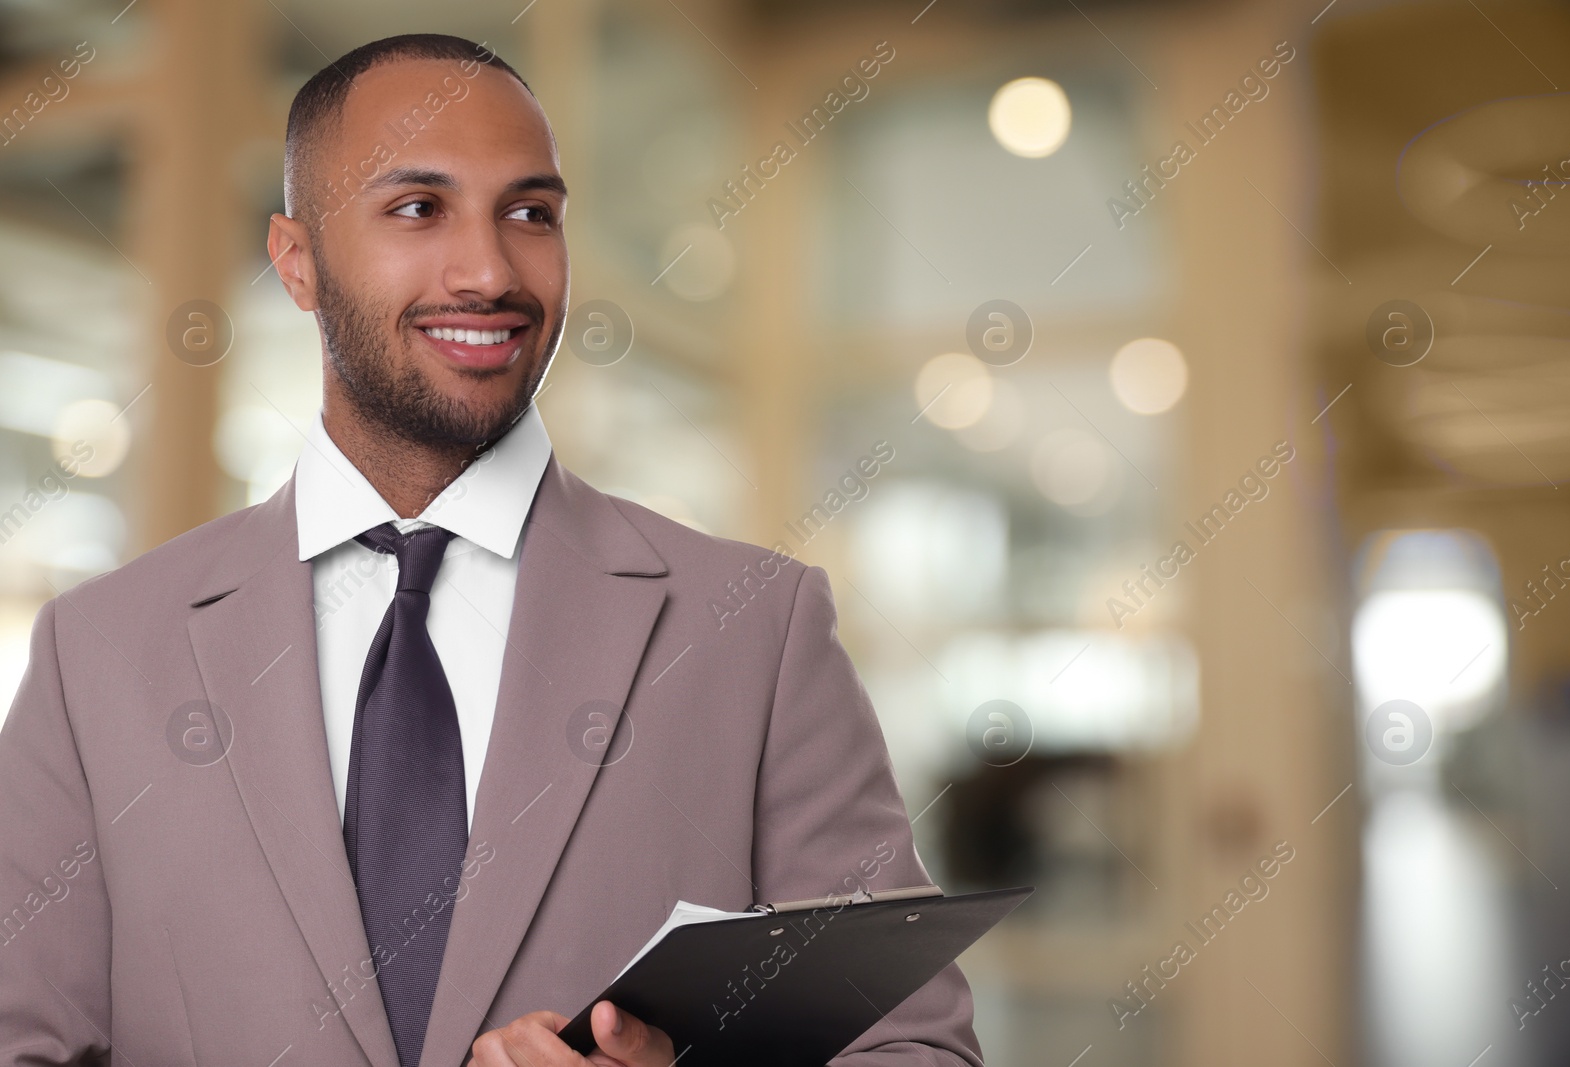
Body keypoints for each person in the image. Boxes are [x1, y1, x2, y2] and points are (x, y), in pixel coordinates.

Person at [0, 33, 982, 1067]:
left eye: (531, 214)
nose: (489, 270)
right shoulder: (98, 652)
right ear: (297, 261)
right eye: (418, 208)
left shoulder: (754, 627)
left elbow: (914, 1045)